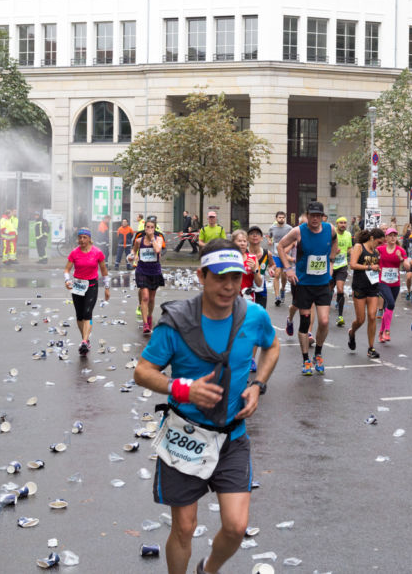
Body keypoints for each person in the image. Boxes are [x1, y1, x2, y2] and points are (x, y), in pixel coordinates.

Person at [134, 239, 279, 574]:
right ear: (201, 276)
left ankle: (209, 569)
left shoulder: (253, 316)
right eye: (219, 277)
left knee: (236, 526)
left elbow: (271, 347)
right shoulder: (177, 322)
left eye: (236, 277)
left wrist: (258, 386)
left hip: (231, 436)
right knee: (184, 527)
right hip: (185, 435)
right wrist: (182, 389)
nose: (229, 286)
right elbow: (142, 371)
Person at [277, 201, 338, 375]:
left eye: (318, 216)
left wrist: (331, 262)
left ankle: (318, 354)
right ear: (308, 215)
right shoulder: (298, 231)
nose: (315, 219)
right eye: (312, 215)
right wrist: (288, 269)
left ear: (322, 217)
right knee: (305, 321)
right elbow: (280, 246)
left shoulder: (329, 229)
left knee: (324, 321)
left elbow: (335, 242)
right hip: (304, 283)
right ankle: (305, 360)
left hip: (322, 284)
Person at [64, 228, 110, 355]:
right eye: (80, 237)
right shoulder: (74, 253)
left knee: (87, 313)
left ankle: (84, 341)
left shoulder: (97, 253)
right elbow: (67, 270)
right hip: (78, 285)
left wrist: (107, 287)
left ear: (89, 239)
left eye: (84, 237)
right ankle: (85, 339)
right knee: (79, 316)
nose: (82, 240)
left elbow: (104, 270)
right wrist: (67, 281)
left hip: (92, 285)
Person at [348, 228, 384, 359]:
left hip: (373, 287)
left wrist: (377, 269)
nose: (379, 245)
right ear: (372, 238)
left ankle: (371, 348)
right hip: (359, 286)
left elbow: (374, 266)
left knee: (372, 316)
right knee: (361, 319)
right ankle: (352, 332)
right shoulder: (359, 247)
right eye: (379, 242)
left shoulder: (376, 251)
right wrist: (369, 267)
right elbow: (352, 264)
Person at [130, 217, 166, 336]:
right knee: (145, 297)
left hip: (154, 271)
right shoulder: (139, 241)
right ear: (144, 228)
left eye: (152, 227)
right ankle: (145, 324)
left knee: (151, 298)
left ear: (154, 228)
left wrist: (151, 239)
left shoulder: (158, 239)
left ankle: (150, 316)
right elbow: (133, 251)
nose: (149, 229)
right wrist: (131, 257)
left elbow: (157, 250)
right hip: (142, 270)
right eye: (147, 227)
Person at [377, 227, 409, 343]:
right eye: (390, 235)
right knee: (390, 303)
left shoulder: (401, 250)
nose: (393, 237)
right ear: (386, 237)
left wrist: (401, 258)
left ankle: (380, 333)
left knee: (388, 307)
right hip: (383, 282)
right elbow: (372, 258)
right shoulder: (380, 249)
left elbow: (407, 266)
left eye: (395, 235)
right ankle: (387, 331)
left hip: (395, 283)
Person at [246, 226, 274, 310]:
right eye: (252, 234)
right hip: (247, 286)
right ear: (247, 238)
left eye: (257, 234)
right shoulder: (244, 253)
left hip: (261, 287)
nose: (255, 235)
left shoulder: (267, 253)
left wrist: (271, 269)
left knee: (261, 312)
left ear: (261, 238)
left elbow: (273, 265)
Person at [268, 211, 292, 306]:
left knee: (284, 276)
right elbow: (269, 237)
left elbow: (293, 240)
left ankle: (282, 289)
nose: (281, 219)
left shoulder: (289, 228)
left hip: (285, 255)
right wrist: (270, 241)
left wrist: (288, 248)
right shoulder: (272, 228)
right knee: (277, 274)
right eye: (279, 217)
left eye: (283, 217)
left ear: (285, 218)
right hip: (275, 254)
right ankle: (277, 296)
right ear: (276, 218)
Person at [332, 217, 353, 326]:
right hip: (331, 265)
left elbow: (349, 247)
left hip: (342, 265)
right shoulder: (332, 233)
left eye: (345, 222)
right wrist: (333, 251)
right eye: (341, 223)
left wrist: (351, 252)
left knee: (340, 289)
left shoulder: (348, 235)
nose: (343, 224)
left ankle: (340, 316)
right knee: (329, 289)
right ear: (337, 224)